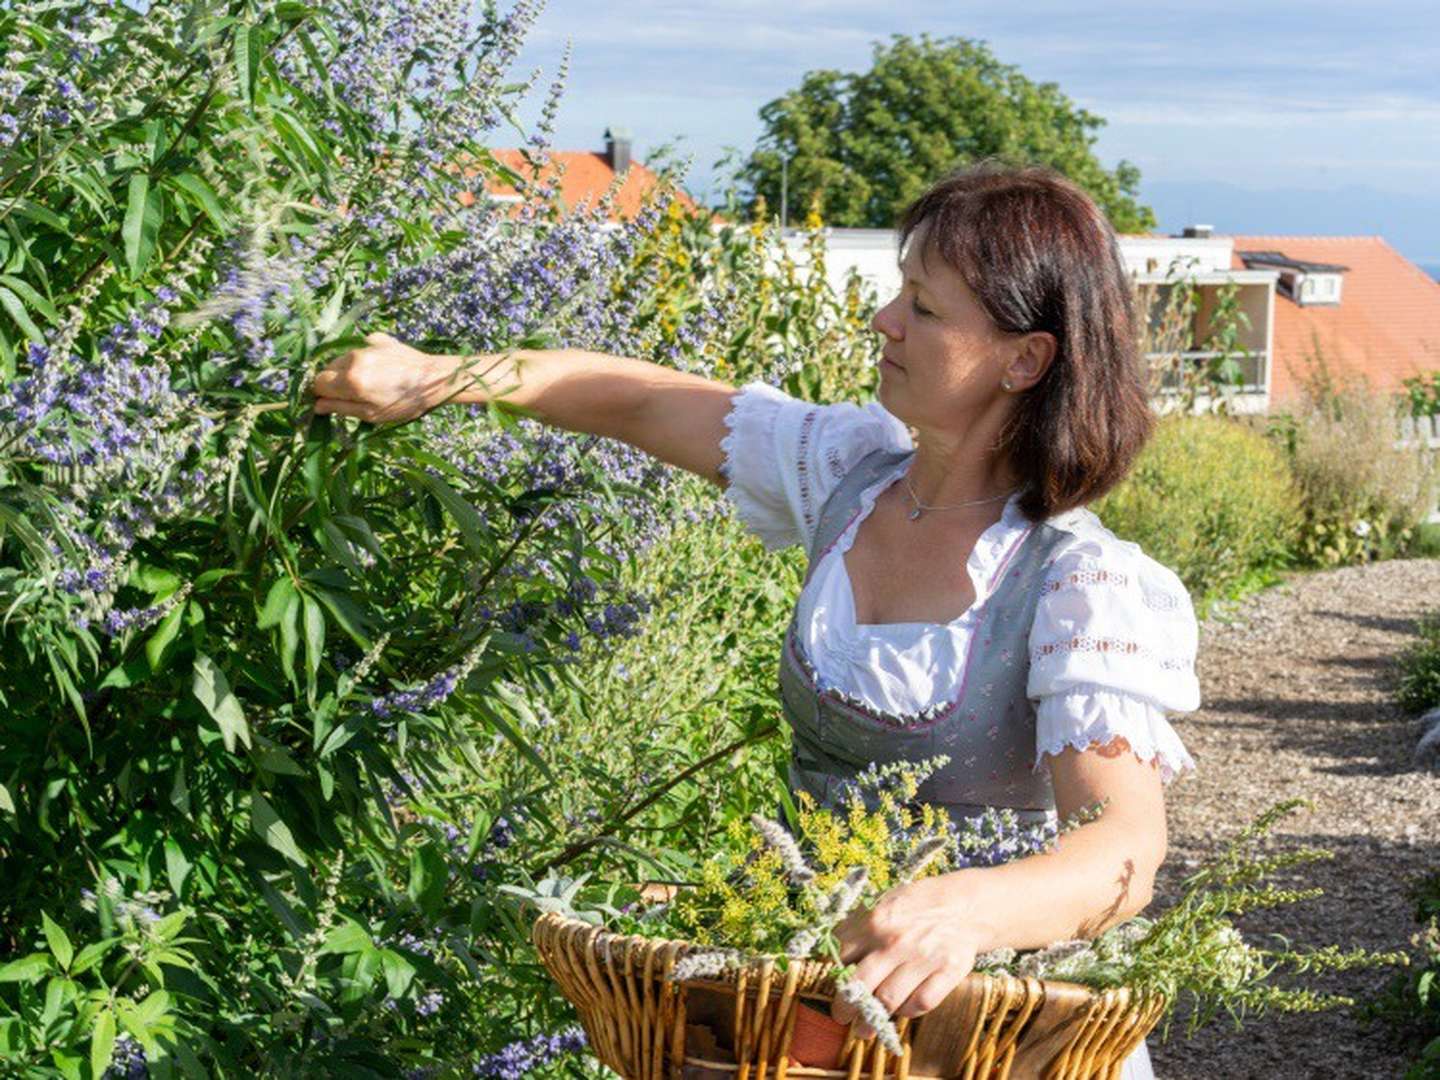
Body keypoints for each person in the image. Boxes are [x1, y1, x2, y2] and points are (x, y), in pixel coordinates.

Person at [311, 162, 1197, 1078]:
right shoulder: (849, 473)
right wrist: (441, 376)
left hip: (981, 1031)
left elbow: (1123, 845)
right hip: (801, 1013)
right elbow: (639, 398)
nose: (884, 321)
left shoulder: (1077, 582)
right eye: (900, 293)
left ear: (1025, 359)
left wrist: (966, 912)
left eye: (925, 310)